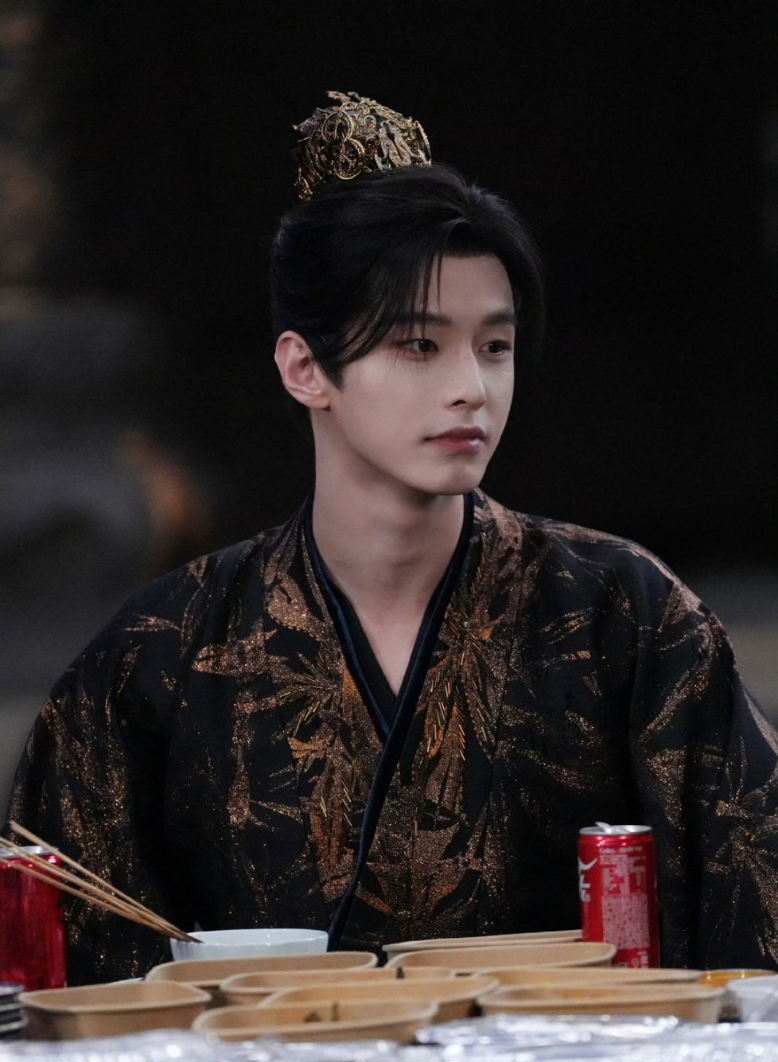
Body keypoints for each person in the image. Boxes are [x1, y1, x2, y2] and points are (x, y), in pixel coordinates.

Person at [5, 92, 778, 985]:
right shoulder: (162, 654)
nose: (471, 387)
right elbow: (63, 974)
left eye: (495, 346)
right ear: (306, 367)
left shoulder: (623, 616)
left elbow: (753, 915)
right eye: (419, 345)